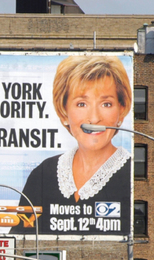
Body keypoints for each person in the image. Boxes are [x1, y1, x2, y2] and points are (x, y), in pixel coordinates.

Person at [12, 55, 132, 235]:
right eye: (81, 104)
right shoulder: (43, 173)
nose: (94, 118)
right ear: (64, 112)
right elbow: (19, 240)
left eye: (106, 104)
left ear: (121, 110)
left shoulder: (131, 174)